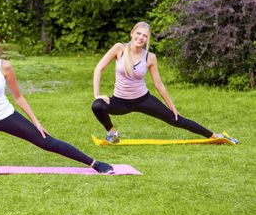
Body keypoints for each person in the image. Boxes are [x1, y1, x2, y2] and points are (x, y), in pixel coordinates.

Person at [0, 26, 114, 174]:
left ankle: (95, 164)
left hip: (6, 116)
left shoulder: (4, 66)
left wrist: (36, 122)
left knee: (46, 142)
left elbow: (18, 96)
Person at [91, 21, 238, 144]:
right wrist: (97, 94)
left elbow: (158, 84)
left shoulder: (150, 57)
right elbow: (99, 68)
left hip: (144, 99)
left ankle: (215, 136)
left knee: (176, 120)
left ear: (147, 39)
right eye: (139, 33)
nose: (141, 37)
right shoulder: (119, 49)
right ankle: (112, 133)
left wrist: (172, 106)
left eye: (145, 36)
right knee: (97, 106)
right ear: (132, 33)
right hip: (120, 102)